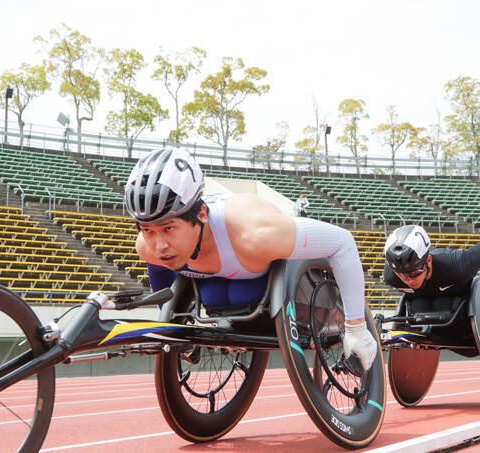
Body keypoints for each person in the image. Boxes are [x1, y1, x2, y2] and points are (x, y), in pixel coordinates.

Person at [125, 148, 378, 371]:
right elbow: (165, 293)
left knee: (237, 294)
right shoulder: (147, 247)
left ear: (201, 214)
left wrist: (356, 326)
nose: (159, 245)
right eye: (147, 230)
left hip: (270, 269)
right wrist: (174, 329)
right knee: (215, 295)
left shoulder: (257, 233)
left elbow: (343, 242)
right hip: (223, 281)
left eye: (169, 229)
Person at [383, 224, 480, 299]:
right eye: (401, 274)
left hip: (458, 299)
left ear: (429, 260)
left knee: (443, 303)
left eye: (414, 273)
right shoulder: (391, 276)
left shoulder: (458, 265)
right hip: (420, 304)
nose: (408, 280)